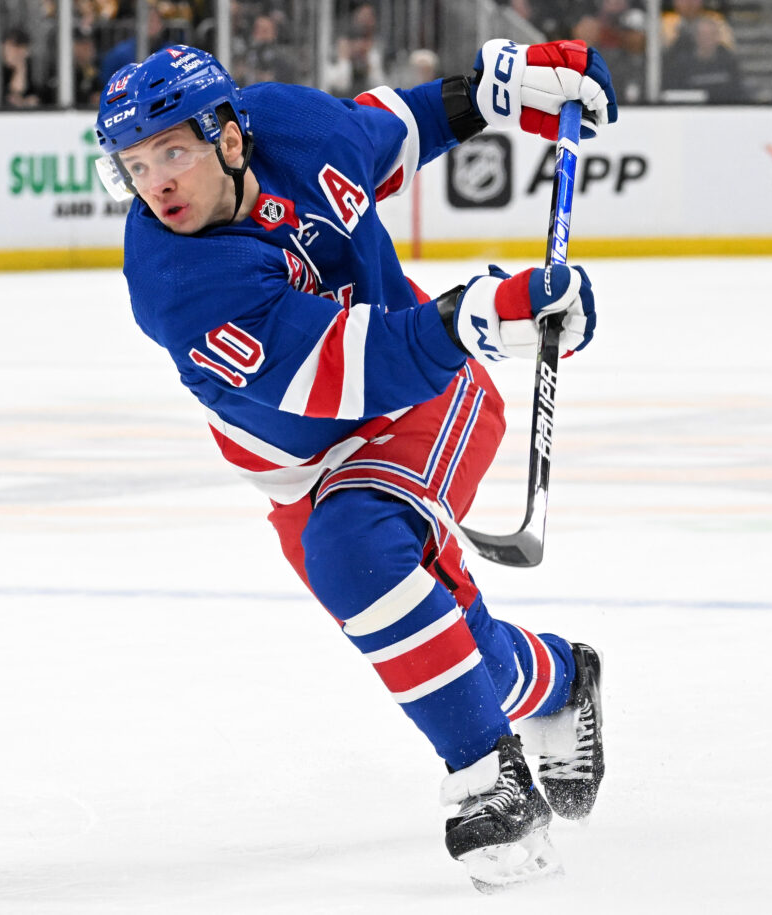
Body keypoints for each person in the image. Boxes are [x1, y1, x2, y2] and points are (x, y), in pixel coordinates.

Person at [94, 41, 616, 889]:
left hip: (427, 400)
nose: (156, 182)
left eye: (173, 151)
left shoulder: (293, 124)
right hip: (312, 452)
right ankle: (559, 679)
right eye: (137, 163)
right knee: (453, 646)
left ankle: (492, 787)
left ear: (230, 137)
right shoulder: (177, 280)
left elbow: (390, 133)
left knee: (356, 550)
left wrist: (497, 92)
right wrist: (474, 315)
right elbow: (339, 371)